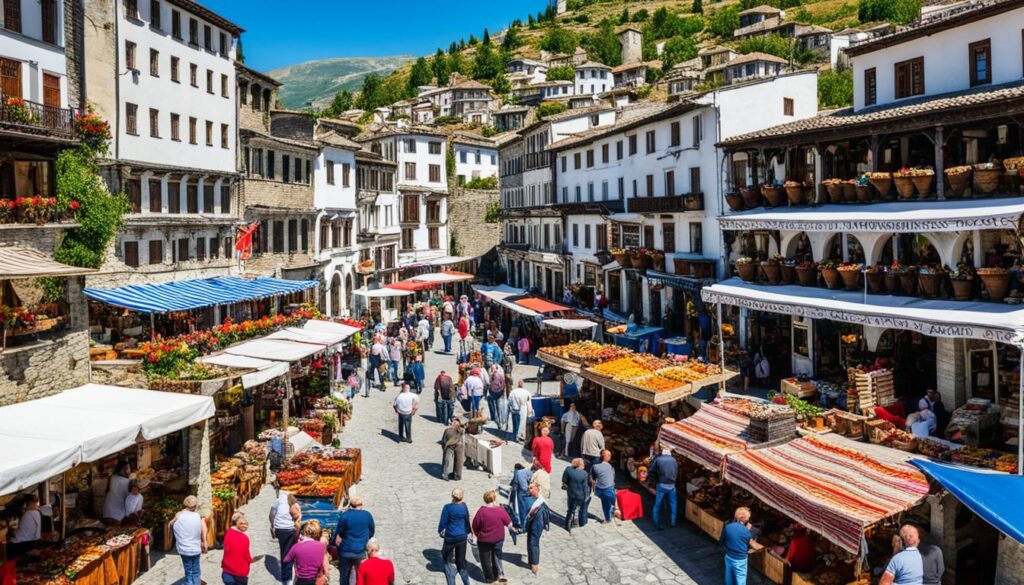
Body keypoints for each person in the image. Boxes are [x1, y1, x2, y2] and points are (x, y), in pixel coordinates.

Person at [472, 490, 512, 584]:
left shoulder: (481, 511)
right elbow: (508, 522)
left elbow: (475, 525)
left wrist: (478, 535)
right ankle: (497, 574)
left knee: (485, 559)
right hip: (498, 539)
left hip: (484, 540)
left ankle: (489, 579)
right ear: (494, 499)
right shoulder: (500, 510)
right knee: (496, 557)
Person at [334, 497, 376, 585]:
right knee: (360, 576)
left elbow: (339, 533)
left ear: (351, 505)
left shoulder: (345, 516)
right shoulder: (367, 515)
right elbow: (371, 531)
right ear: (361, 505)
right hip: (360, 551)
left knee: (344, 576)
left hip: (345, 551)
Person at [170, 495, 207, 585]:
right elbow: (204, 528)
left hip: (184, 549)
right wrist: (204, 542)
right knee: (196, 570)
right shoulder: (197, 516)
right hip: (196, 549)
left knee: (188, 571)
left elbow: (170, 526)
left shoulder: (179, 516)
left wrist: (175, 518)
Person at [438, 488, 472, 585]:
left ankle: (451, 580)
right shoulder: (464, 507)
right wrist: (468, 532)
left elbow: (443, 522)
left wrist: (441, 531)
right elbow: (467, 520)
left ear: (452, 496)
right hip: (462, 536)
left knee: (447, 559)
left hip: (450, 536)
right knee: (461, 561)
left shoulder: (447, 507)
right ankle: (466, 582)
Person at [270, 490, 301, 585]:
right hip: (291, 530)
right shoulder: (295, 503)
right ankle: (289, 576)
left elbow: (271, 514)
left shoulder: (278, 500)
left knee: (284, 553)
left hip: (280, 530)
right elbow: (299, 517)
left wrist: (272, 526)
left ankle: (287, 578)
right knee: (290, 553)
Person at [284, 520, 329, 585]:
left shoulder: (297, 546)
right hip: (315, 579)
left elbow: (286, 560)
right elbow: (324, 562)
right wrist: (326, 576)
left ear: (305, 532)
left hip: (300, 579)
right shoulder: (322, 546)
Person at [720, 507, 756, 585]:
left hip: (728, 556)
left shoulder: (728, 526)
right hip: (740, 559)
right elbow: (750, 544)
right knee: (740, 579)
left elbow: (722, 542)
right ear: (745, 518)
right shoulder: (747, 531)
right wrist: (748, 530)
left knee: (728, 575)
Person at [647, 447, 678, 530]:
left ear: (662, 452)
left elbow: (651, 472)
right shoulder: (674, 460)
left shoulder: (658, 459)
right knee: (673, 504)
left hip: (661, 485)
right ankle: (673, 522)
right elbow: (676, 472)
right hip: (672, 485)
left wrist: (650, 484)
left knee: (657, 505)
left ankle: (656, 523)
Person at [524, 483, 550, 575]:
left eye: (531, 488)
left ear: (537, 488)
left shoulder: (541, 501)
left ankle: (535, 564)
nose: (529, 490)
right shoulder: (531, 497)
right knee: (529, 540)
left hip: (537, 522)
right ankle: (531, 560)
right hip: (531, 521)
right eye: (529, 488)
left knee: (533, 542)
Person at [222, 512, 253, 585]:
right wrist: (250, 561)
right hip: (239, 573)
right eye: (242, 523)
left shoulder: (228, 533)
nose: (245, 526)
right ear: (236, 523)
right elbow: (246, 555)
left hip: (227, 571)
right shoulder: (244, 538)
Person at [562, 458, 591, 532]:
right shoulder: (584, 473)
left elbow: (564, 480)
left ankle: (567, 524)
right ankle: (575, 524)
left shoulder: (568, 469)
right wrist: (587, 496)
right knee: (577, 510)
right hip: (580, 495)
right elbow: (585, 486)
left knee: (570, 509)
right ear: (579, 465)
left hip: (571, 493)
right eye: (582, 464)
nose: (584, 465)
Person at [590, 449, 617, 524]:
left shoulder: (596, 466)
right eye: (608, 455)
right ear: (603, 456)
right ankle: (610, 516)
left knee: (606, 503)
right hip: (607, 488)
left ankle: (608, 517)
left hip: (603, 489)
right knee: (609, 502)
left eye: (610, 455)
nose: (610, 456)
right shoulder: (607, 467)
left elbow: (593, 477)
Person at [509, 462, 534, 529]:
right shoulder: (528, 472)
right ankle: (526, 525)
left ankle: (523, 526)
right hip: (527, 492)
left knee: (521, 509)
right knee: (526, 509)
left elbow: (515, 483)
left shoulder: (518, 472)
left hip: (522, 492)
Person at [486, 364, 507, 430]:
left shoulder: (491, 374)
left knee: (494, 407)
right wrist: (503, 391)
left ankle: (497, 421)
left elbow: (488, 383)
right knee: (499, 407)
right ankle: (500, 421)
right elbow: (503, 383)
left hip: (493, 393)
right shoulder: (500, 374)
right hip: (499, 392)